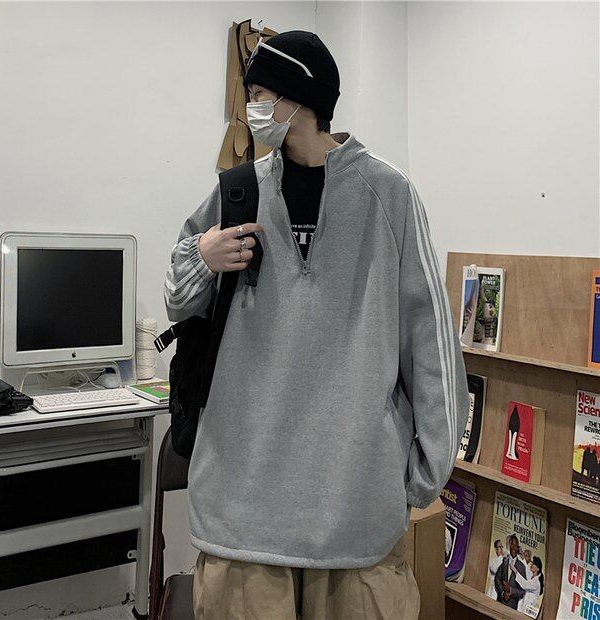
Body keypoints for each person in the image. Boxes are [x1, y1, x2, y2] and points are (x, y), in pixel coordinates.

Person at [164, 29, 469, 619]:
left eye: (259, 94)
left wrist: (421, 477)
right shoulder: (238, 191)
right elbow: (179, 301)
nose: (251, 109)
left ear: (297, 99)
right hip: (241, 510)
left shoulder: (389, 195)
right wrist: (202, 256)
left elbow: (431, 342)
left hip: (356, 511)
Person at [494, 534, 527, 610]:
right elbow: (497, 579)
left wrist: (511, 590)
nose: (514, 548)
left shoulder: (521, 567)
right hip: (499, 603)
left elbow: (522, 591)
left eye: (516, 545)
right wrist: (503, 593)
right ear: (509, 546)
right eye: (512, 544)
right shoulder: (504, 561)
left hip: (511, 608)